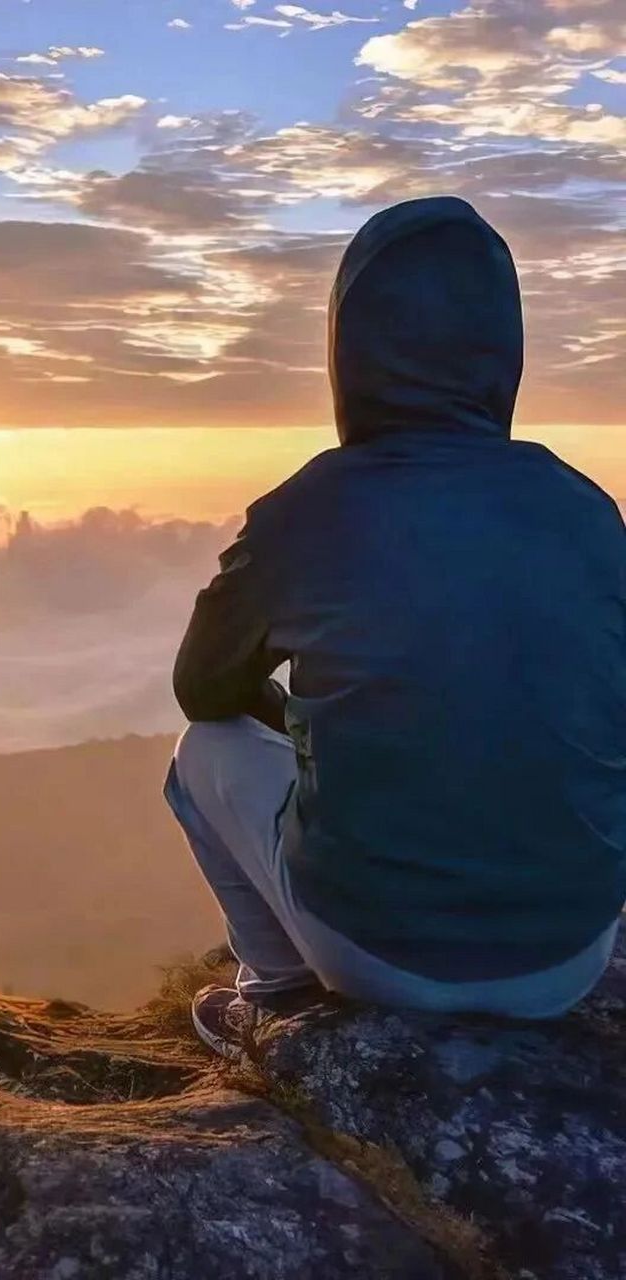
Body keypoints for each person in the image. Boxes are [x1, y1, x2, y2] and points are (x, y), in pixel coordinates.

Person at [165, 196, 626, 1060]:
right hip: (571, 957)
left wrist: (302, 718)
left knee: (201, 752)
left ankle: (276, 999)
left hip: (378, 957)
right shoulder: (587, 511)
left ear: (349, 349)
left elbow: (203, 689)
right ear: (503, 352)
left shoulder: (310, 511)